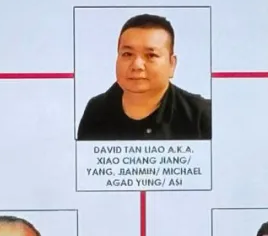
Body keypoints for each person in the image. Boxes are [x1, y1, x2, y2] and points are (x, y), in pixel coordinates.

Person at [77, 13, 211, 141]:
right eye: (127, 54)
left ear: (172, 64)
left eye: (151, 55)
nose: (137, 65)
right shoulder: (96, 110)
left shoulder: (201, 115)